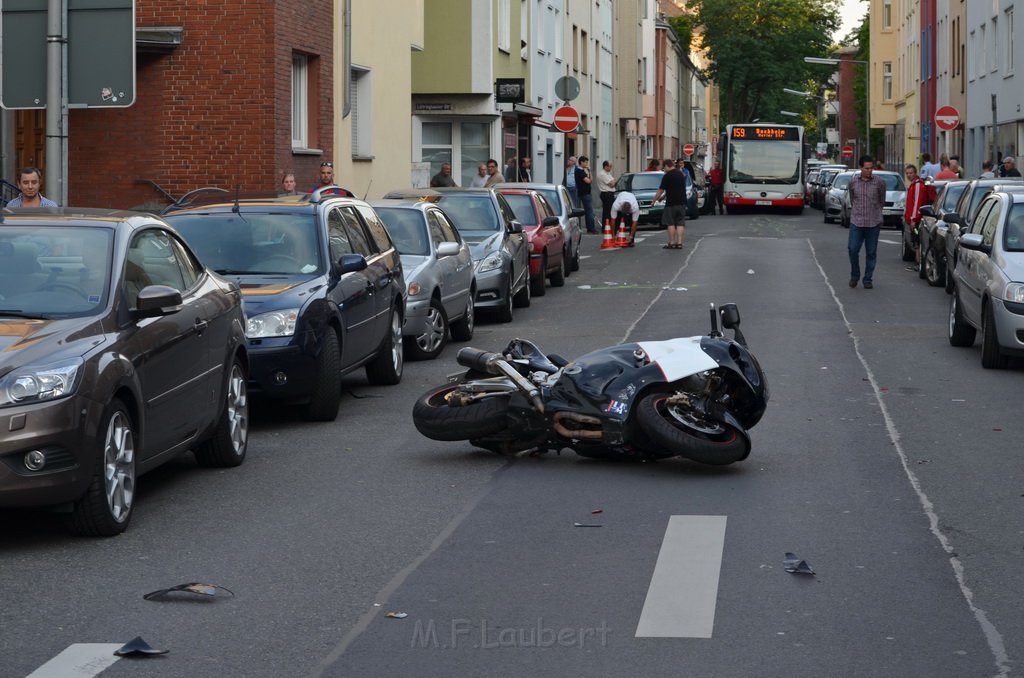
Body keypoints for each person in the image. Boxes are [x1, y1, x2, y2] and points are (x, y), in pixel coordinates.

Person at [846, 155, 886, 289]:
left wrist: (876, 213)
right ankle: (855, 275)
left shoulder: (879, 182)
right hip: (857, 222)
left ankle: (867, 279)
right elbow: (852, 199)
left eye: (871, 168)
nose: (869, 171)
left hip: (873, 222)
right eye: (867, 168)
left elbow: (882, 200)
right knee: (852, 249)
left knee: (871, 252)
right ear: (861, 168)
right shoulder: (853, 182)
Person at [653, 157, 688, 249]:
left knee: (671, 223)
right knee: (680, 223)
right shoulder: (680, 174)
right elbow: (675, 188)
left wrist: (654, 200)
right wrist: (663, 197)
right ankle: (679, 242)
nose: (664, 170)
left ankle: (672, 242)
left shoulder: (667, 176)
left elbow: (661, 190)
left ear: (667, 166)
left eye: (664, 168)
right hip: (681, 202)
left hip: (671, 203)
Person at [903, 164, 927, 269]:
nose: (908, 175)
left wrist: (914, 219)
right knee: (915, 241)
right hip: (913, 219)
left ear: (915, 173)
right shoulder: (913, 185)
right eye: (907, 173)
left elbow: (917, 203)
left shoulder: (917, 185)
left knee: (917, 240)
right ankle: (918, 262)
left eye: (910, 173)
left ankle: (919, 263)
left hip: (916, 220)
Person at [575, 156, 596, 234]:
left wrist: (588, 172)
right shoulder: (579, 171)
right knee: (589, 211)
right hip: (584, 193)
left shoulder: (582, 171)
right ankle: (591, 228)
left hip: (584, 193)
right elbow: (589, 181)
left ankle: (589, 227)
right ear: (581, 162)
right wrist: (589, 172)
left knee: (587, 211)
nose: (587, 164)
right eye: (586, 162)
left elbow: (591, 180)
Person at [597, 160, 616, 224]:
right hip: (607, 194)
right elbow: (612, 184)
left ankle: (607, 226)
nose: (611, 168)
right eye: (610, 166)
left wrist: (613, 181)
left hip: (609, 194)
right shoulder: (603, 174)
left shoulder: (607, 173)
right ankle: (606, 226)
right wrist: (613, 182)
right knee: (607, 212)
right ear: (605, 166)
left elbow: (614, 181)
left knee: (608, 211)